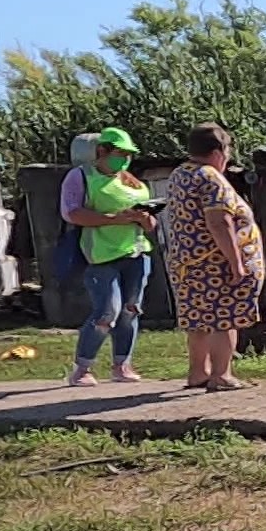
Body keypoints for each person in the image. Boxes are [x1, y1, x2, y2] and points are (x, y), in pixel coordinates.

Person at [163, 122, 264, 391]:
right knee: (225, 318)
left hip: (188, 264)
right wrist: (236, 263)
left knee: (198, 320)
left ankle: (199, 372)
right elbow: (219, 222)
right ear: (219, 151)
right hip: (214, 264)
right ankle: (222, 375)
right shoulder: (210, 177)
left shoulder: (179, 174)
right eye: (228, 150)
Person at [61, 126, 156, 386]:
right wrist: (114, 219)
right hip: (101, 255)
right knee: (107, 313)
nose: (124, 159)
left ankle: (122, 365)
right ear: (101, 151)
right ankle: (82, 368)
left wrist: (144, 219)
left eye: (128, 154)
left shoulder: (130, 180)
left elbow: (151, 225)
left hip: (136, 253)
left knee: (130, 310)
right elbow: (72, 213)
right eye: (119, 153)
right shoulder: (80, 176)